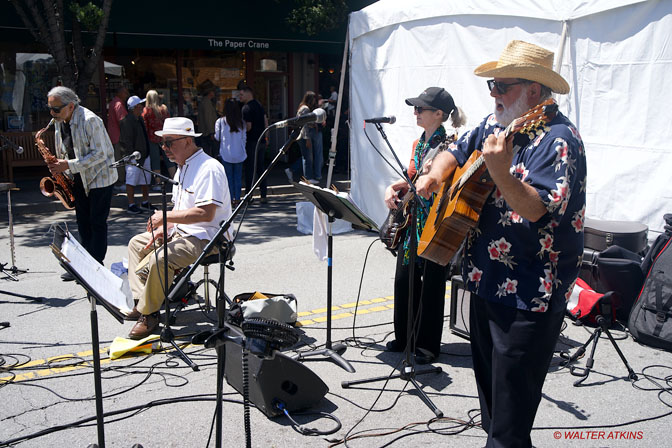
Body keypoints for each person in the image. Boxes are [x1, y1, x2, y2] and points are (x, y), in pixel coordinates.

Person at [415, 40, 587, 447]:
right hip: (483, 280)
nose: (492, 94)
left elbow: (537, 210)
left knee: (510, 421)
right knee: (493, 409)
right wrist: (433, 177)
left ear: (533, 90)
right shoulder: (495, 125)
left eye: (501, 86)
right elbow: (452, 152)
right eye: (491, 85)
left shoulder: (559, 140)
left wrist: (500, 172)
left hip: (530, 293)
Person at [125, 117, 232, 339]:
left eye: (169, 142)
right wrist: (167, 227)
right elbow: (182, 208)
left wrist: (165, 217)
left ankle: (149, 314)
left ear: (187, 141)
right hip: (185, 234)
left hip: (209, 238)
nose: (164, 148)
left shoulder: (209, 168)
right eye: (162, 143)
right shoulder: (181, 168)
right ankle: (142, 301)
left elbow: (205, 214)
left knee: (160, 258)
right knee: (136, 243)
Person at [384, 87, 466, 365]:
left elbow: (446, 183)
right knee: (404, 278)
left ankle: (428, 344)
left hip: (435, 222)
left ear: (439, 114)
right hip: (412, 219)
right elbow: (413, 178)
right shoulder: (418, 144)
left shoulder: (451, 144)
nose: (415, 113)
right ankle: (404, 336)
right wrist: (393, 187)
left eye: (421, 109)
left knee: (432, 282)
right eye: (415, 108)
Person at [46, 86, 118, 280]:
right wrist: (58, 166)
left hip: (99, 177)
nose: (52, 114)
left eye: (56, 109)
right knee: (82, 222)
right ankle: (83, 265)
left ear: (71, 106)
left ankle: (96, 266)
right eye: (50, 109)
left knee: (96, 222)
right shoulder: (59, 121)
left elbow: (101, 153)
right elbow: (64, 149)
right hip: (77, 176)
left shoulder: (90, 120)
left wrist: (68, 164)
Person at [119, 95, 152, 214]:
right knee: (131, 180)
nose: (142, 107)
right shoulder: (127, 121)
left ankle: (145, 201)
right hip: (133, 156)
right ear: (134, 107)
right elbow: (126, 140)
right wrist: (131, 156)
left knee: (145, 179)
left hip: (144, 154)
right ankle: (131, 204)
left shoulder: (139, 119)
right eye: (139, 106)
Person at [238, 85, 269, 203]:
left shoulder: (246, 108)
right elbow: (266, 122)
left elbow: (248, 127)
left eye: (241, 94)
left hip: (251, 141)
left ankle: (248, 195)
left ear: (248, 94)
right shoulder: (259, 105)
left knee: (250, 168)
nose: (239, 97)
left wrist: (240, 132)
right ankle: (263, 194)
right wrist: (266, 138)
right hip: (261, 140)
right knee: (261, 168)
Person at [215, 98, 246, 207]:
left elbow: (217, 137)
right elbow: (244, 138)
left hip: (226, 153)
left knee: (228, 177)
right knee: (238, 177)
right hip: (239, 153)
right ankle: (237, 199)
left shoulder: (220, 121)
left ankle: (229, 199)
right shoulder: (241, 122)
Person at [142, 90, 174, 190]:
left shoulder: (146, 110)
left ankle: (158, 183)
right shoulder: (164, 108)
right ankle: (175, 180)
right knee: (170, 159)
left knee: (155, 161)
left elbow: (145, 126)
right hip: (164, 137)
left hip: (152, 138)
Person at [294, 91, 325, 185]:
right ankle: (308, 177)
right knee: (308, 157)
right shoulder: (305, 109)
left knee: (307, 156)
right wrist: (307, 138)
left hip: (302, 135)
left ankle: (308, 177)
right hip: (303, 136)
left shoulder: (303, 107)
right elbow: (304, 124)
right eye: (313, 99)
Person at [107, 85, 129, 187]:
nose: (126, 95)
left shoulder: (113, 102)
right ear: (119, 93)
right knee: (119, 159)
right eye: (124, 92)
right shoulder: (118, 104)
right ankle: (120, 182)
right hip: (118, 136)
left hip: (113, 135)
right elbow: (123, 122)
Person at [198, 88, 219, 158]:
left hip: (205, 132)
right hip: (207, 133)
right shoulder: (207, 102)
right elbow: (208, 118)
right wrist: (212, 132)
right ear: (210, 92)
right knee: (210, 153)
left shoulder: (204, 101)